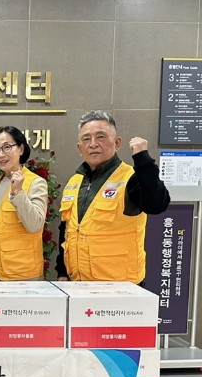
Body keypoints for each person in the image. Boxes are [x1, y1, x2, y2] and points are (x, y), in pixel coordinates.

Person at [55, 110, 170, 284]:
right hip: (78, 283)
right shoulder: (74, 182)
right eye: (86, 139)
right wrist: (62, 271)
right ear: (79, 148)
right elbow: (66, 230)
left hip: (121, 286)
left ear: (117, 143)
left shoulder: (130, 178)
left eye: (100, 137)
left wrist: (143, 160)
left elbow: (157, 204)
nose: (93, 144)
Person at [0, 126, 47, 281]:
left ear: (21, 149)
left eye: (7, 147)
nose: (1, 155)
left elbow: (35, 225)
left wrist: (18, 193)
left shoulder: (35, 183)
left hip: (22, 273)